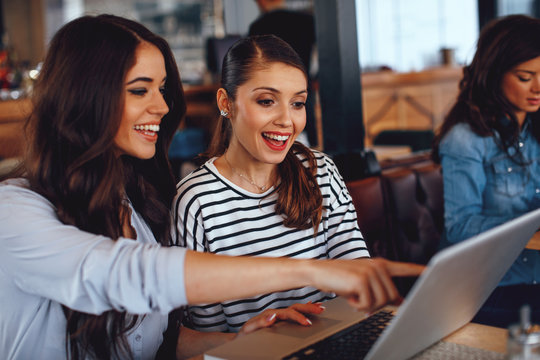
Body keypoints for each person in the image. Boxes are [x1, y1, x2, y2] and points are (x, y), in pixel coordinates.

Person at [0, 15, 424, 360]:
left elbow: (163, 344)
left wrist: (245, 339)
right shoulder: (13, 210)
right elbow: (125, 274)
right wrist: (309, 269)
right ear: (83, 96)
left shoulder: (132, 207)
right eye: (139, 90)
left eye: (162, 89)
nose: (163, 107)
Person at [172, 34, 386, 359]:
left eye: (297, 103)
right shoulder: (195, 200)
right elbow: (199, 333)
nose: (287, 120)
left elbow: (355, 270)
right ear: (226, 103)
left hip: (336, 342)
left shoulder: (320, 170)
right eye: (266, 101)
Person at [432, 14, 540, 328]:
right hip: (489, 290)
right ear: (494, 74)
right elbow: (461, 226)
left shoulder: (534, 128)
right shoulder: (465, 139)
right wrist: (529, 228)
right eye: (525, 76)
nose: (538, 87)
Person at [249, 0, 318, 147]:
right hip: (302, 88)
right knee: (307, 145)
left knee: (276, 139)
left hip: (271, 92)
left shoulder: (258, 26)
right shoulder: (306, 21)